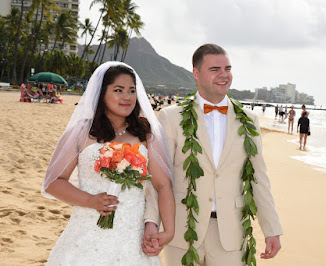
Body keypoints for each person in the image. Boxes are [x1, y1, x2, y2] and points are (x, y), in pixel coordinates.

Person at [143, 44, 283, 265]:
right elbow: (159, 178)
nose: (223, 75)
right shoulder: (171, 117)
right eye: (215, 69)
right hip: (182, 230)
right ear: (196, 74)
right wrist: (151, 221)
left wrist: (271, 228)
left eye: (227, 68)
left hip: (232, 234)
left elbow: (259, 177)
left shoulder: (249, 120)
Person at [41, 62, 175, 265]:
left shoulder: (145, 133)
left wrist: (169, 231)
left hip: (132, 237)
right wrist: (90, 200)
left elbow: (162, 185)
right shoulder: (81, 132)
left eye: (132, 91)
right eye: (118, 90)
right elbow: (53, 182)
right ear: (102, 94)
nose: (127, 97)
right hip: (86, 231)